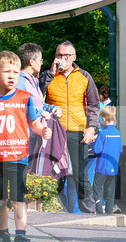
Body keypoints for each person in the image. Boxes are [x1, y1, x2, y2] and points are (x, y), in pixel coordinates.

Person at [0, 51, 51, 242]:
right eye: (7, 72)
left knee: (19, 199)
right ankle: (3, 235)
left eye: (16, 72)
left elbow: (34, 123)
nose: (12, 76)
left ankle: (21, 237)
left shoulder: (24, 98)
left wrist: (42, 130)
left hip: (19, 158)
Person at [42, 40, 100, 214]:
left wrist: (92, 128)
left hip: (77, 131)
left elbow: (94, 105)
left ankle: (89, 211)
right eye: (59, 55)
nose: (62, 58)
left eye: (66, 55)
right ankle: (58, 211)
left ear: (74, 57)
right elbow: (37, 97)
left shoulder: (84, 76)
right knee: (55, 172)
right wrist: (51, 74)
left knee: (80, 174)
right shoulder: (47, 76)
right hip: (54, 131)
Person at [91, 106, 122, 215]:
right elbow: (120, 150)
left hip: (102, 168)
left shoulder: (102, 134)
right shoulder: (118, 134)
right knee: (110, 192)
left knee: (97, 189)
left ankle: (99, 213)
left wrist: (92, 141)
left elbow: (96, 150)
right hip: (113, 168)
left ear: (104, 119)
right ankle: (109, 213)